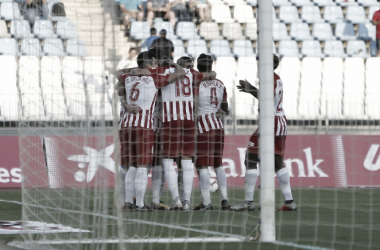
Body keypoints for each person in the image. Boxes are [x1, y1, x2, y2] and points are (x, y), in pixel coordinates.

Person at [119, 50, 186, 211]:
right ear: (149, 64)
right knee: (142, 166)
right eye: (154, 63)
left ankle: (128, 202)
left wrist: (126, 104)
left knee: (132, 165)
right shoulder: (154, 79)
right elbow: (181, 73)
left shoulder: (127, 78)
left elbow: (118, 78)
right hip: (144, 127)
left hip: (127, 125)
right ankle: (140, 204)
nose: (156, 66)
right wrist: (172, 64)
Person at [230, 54, 297, 212]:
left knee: (250, 158)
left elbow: (267, 97)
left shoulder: (270, 80)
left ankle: (248, 202)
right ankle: (289, 201)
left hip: (270, 122)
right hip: (280, 121)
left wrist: (251, 89)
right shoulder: (276, 78)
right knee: (277, 162)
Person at [192, 54, 230, 211]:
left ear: (198, 66)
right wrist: (220, 109)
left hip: (203, 126)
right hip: (218, 126)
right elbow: (226, 107)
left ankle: (206, 202)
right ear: (211, 65)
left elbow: (193, 106)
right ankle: (225, 199)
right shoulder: (220, 84)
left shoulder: (196, 83)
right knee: (218, 164)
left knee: (202, 165)